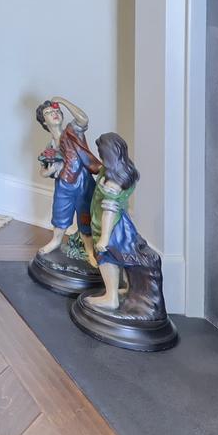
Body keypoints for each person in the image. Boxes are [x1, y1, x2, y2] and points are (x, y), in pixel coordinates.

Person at [84, 132, 159, 312]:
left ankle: (110, 298)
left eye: (101, 153)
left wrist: (103, 238)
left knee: (107, 258)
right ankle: (127, 288)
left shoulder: (113, 182)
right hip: (122, 222)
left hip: (109, 226)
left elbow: (109, 211)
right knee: (121, 256)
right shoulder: (123, 170)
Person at [34, 97, 98, 258]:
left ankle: (89, 248)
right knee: (60, 213)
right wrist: (50, 170)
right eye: (49, 113)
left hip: (83, 182)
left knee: (85, 215)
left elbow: (83, 119)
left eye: (57, 111)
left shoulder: (72, 131)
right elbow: (43, 171)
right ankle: (56, 241)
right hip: (63, 185)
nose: (54, 113)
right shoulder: (50, 147)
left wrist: (62, 101)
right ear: (44, 122)